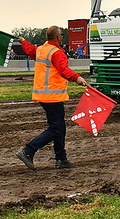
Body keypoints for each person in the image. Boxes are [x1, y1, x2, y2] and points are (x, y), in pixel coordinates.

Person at [15, 25, 87, 170]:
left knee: (60, 127)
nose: (62, 36)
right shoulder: (57, 53)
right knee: (56, 129)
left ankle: (61, 158)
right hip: (52, 96)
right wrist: (77, 78)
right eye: (61, 34)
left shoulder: (41, 49)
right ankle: (28, 151)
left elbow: (30, 49)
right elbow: (64, 70)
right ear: (57, 37)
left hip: (43, 95)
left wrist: (23, 41)